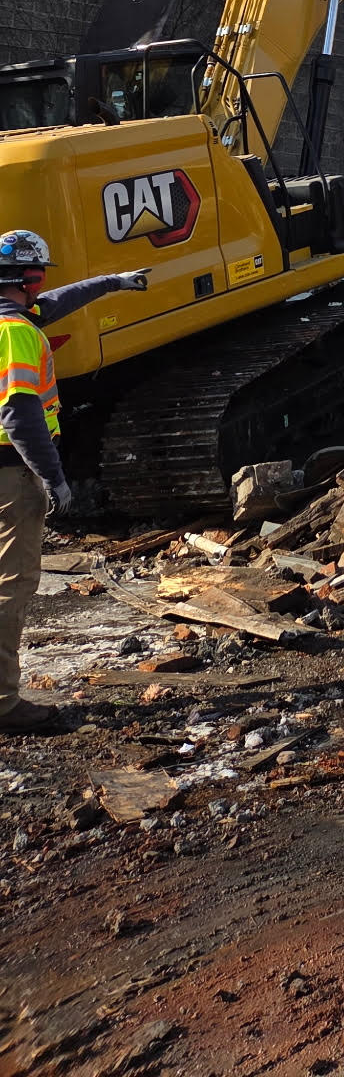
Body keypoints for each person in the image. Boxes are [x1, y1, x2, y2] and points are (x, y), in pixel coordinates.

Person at [0, 229, 149, 735]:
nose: (43, 289)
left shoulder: (12, 320)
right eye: (39, 278)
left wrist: (111, 282)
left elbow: (57, 304)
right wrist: (54, 478)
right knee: (11, 585)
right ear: (28, 278)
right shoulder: (16, 333)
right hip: (9, 475)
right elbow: (20, 413)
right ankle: (3, 704)